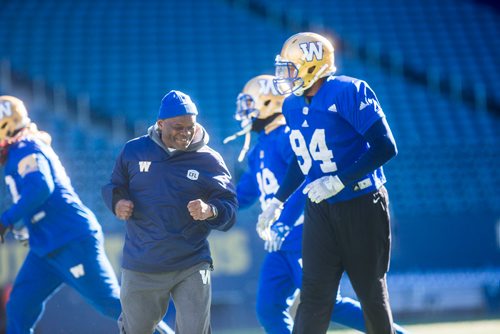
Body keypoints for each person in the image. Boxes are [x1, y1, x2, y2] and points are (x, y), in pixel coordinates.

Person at [228, 75, 407, 334]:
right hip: (278, 242)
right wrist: (212, 205)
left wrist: (283, 222)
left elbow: (306, 180)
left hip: (301, 232)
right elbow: (243, 194)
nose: (246, 113)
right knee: (268, 308)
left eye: (250, 104)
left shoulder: (286, 135)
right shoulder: (260, 148)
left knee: (328, 303)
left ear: (267, 102)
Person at [258, 32, 399, 334]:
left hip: (362, 203)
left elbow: (385, 146)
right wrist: (278, 200)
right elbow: (302, 156)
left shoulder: (348, 91)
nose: (285, 76)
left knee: (370, 292)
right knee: (314, 294)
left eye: (290, 68)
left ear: (312, 65)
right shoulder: (292, 106)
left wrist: (341, 180)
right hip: (320, 207)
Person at [0, 95, 173, 334]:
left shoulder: (26, 147)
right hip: (47, 245)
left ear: (6, 123)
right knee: (19, 307)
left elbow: (41, 188)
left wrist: (6, 220)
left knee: (110, 303)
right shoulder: (22, 150)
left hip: (70, 238)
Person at [102, 90, 238, 334]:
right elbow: (114, 186)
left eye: (190, 127)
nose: (185, 133)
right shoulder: (133, 151)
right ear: (160, 123)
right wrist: (118, 202)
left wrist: (210, 210)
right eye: (178, 127)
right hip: (141, 263)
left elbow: (229, 207)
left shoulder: (209, 160)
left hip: (191, 262)